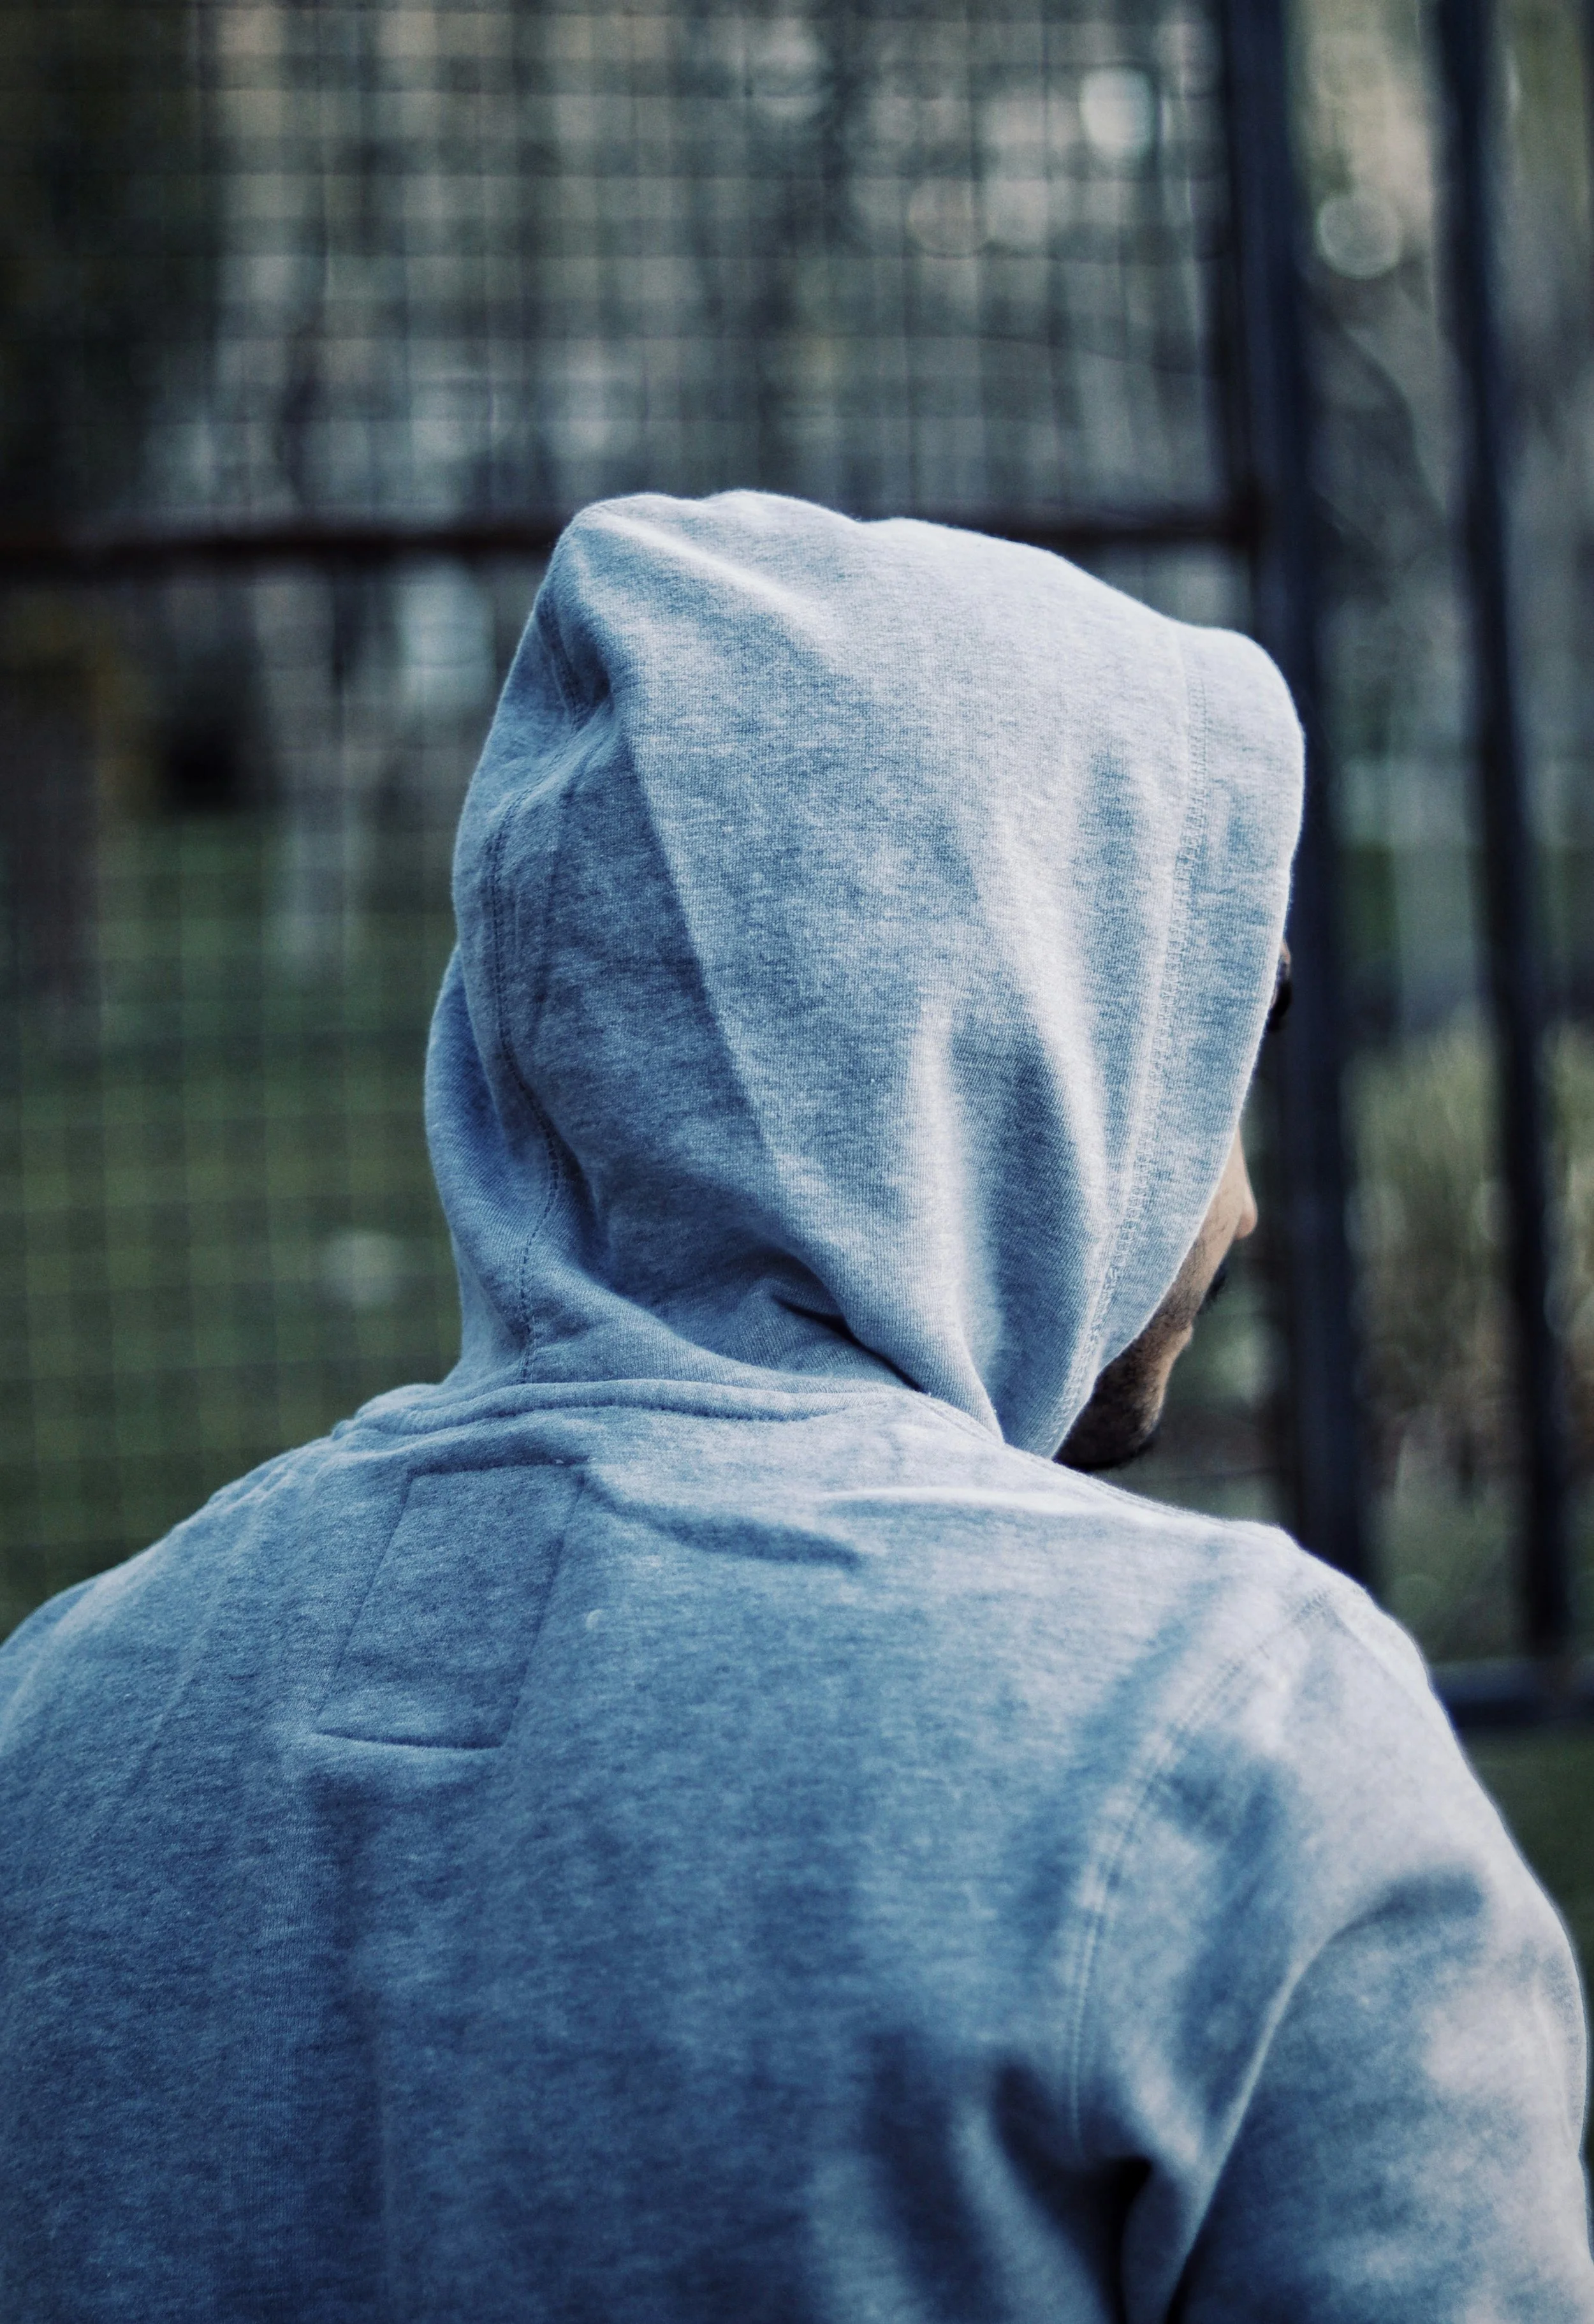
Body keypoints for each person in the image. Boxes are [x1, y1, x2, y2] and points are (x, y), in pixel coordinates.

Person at [0, 492, 1588, 2321]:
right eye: (1229, 1002)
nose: (1228, 1193)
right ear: (1030, 1026)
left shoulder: (63, 1718)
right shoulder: (1236, 1765)